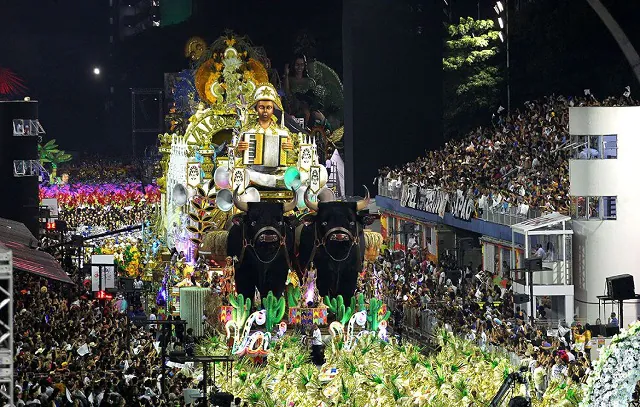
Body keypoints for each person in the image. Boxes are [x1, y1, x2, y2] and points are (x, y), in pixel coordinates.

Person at [235, 83, 298, 188]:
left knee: (293, 175)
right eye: (261, 107)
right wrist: (239, 150)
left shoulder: (282, 132)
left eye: (268, 107)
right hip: (253, 173)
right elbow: (236, 156)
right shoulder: (248, 130)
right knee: (240, 173)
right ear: (256, 109)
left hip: (276, 173)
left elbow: (292, 158)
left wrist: (290, 149)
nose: (265, 111)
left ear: (273, 109)